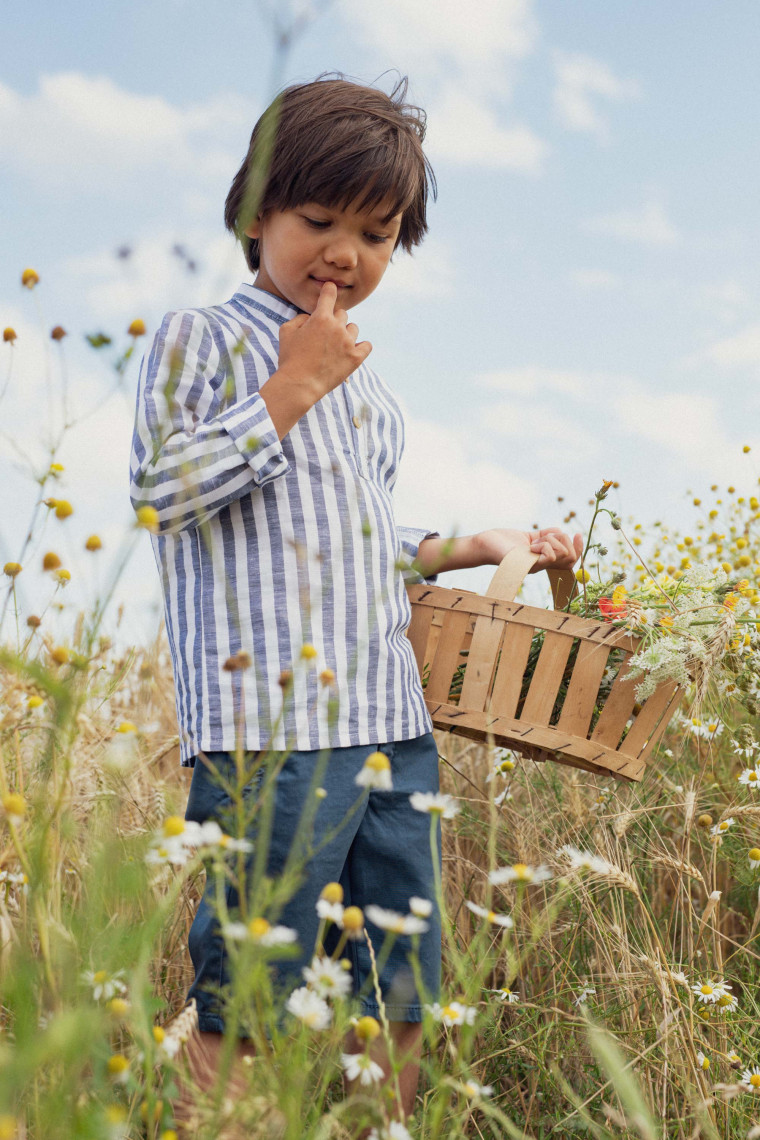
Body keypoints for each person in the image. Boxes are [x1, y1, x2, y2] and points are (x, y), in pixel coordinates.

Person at [129, 74, 582, 1128]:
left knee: (406, 977)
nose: (344, 252)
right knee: (251, 986)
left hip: (390, 724)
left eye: (374, 234)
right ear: (255, 215)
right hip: (271, 732)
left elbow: (372, 541)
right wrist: (289, 389)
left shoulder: (372, 388)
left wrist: (474, 544)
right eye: (317, 220)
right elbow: (164, 492)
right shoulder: (204, 339)